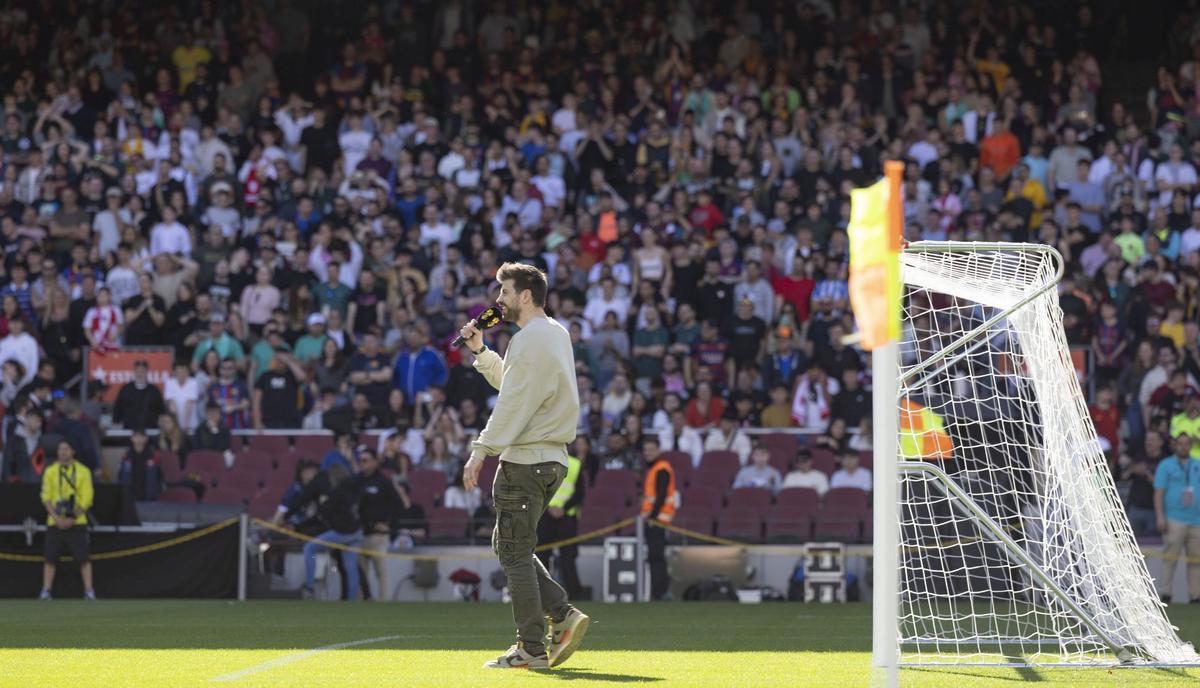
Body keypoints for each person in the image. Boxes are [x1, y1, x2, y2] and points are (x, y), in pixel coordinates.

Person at [458, 262, 589, 669]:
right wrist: (480, 351)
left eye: (505, 292)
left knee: (513, 553)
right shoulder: (553, 333)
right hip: (549, 459)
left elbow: (512, 403)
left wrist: (481, 450)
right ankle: (563, 615)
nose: (498, 301)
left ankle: (531, 647)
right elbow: (518, 386)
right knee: (510, 546)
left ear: (525, 295)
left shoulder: (530, 339)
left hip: (526, 460)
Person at [274, 460, 364, 600]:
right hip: (357, 532)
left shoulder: (336, 492)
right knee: (351, 567)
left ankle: (309, 585)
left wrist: (292, 520)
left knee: (310, 548)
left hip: (342, 532)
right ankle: (352, 600)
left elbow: (323, 511)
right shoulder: (353, 489)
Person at [39, 440, 96, 600]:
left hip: (77, 521)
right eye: (60, 449)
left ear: (73, 451)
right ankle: (46, 590)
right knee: (50, 558)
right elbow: (45, 497)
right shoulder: (50, 471)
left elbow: (87, 498)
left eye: (66, 449)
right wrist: (56, 518)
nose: (63, 452)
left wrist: (72, 517)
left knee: (84, 558)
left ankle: (89, 590)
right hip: (54, 521)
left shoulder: (83, 471)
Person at [1154, 433, 1200, 603]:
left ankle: (1195, 595)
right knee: (1170, 558)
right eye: (1180, 444)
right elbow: (1159, 492)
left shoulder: (1197, 464)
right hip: (1174, 518)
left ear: (1190, 445)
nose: (1183, 447)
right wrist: (1160, 516)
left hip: (1197, 520)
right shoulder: (1166, 465)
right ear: (1175, 446)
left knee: (1196, 560)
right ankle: (1166, 593)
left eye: (1186, 443)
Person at [536, 446, 586, 599]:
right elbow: (579, 493)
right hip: (558, 515)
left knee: (561, 557)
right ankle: (571, 593)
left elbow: (580, 492)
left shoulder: (544, 463)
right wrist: (561, 508)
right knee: (548, 556)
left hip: (558, 515)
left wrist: (557, 508)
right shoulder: (574, 464)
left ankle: (549, 593)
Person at [357, 448, 400, 602]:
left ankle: (384, 602)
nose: (362, 464)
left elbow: (397, 505)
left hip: (378, 535)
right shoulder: (356, 481)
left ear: (375, 462)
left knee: (381, 572)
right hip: (359, 534)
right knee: (360, 573)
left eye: (365, 460)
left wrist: (388, 525)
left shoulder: (383, 482)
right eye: (360, 460)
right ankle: (362, 602)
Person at [639, 435, 678, 601]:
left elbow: (661, 496)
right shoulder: (656, 468)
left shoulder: (662, 468)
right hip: (656, 520)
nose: (648, 453)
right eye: (646, 449)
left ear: (658, 450)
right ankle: (659, 591)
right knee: (655, 557)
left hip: (657, 520)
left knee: (656, 557)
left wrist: (652, 516)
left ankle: (660, 592)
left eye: (651, 449)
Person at [112, 360, 166, 431]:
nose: (140, 373)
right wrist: (116, 422)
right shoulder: (126, 389)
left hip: (150, 429)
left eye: (143, 371)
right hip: (129, 430)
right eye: (138, 370)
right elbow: (118, 407)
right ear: (134, 372)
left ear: (147, 372)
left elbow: (161, 410)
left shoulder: (154, 390)